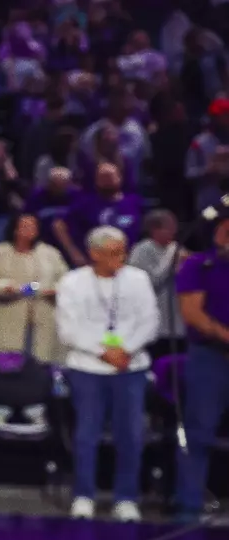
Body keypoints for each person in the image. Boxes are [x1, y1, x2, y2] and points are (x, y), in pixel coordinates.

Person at [55, 226, 159, 521]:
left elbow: (150, 321)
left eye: (123, 252)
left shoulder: (138, 279)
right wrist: (103, 352)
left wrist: (127, 350)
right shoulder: (73, 282)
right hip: (87, 368)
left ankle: (126, 498)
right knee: (86, 435)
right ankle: (84, 495)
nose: (121, 259)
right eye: (113, 253)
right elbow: (68, 329)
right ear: (94, 253)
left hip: (130, 367)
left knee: (131, 435)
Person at [173, 211, 229, 520]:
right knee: (199, 431)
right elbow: (192, 313)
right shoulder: (198, 265)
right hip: (210, 356)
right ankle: (189, 504)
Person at [0, 213, 66, 361]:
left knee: (41, 361)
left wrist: (55, 290)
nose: (30, 230)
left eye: (33, 226)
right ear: (15, 229)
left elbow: (66, 282)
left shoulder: (50, 254)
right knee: (7, 363)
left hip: (42, 321)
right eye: (25, 226)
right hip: (6, 321)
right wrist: (6, 287)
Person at [127, 209, 186, 353]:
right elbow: (149, 283)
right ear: (154, 229)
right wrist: (172, 257)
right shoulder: (141, 251)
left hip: (177, 320)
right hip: (154, 322)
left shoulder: (176, 249)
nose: (174, 232)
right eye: (169, 228)